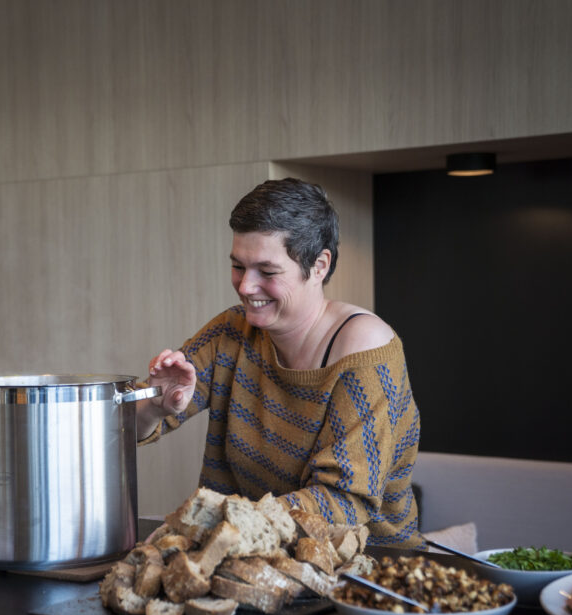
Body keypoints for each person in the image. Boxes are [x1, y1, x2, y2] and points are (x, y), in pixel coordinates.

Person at [136, 178, 424, 549]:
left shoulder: (363, 350)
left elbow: (344, 501)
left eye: (267, 272)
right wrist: (153, 407)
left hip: (373, 566)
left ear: (319, 265)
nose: (245, 287)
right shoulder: (232, 331)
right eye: (238, 266)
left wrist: (215, 527)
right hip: (254, 555)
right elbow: (127, 427)